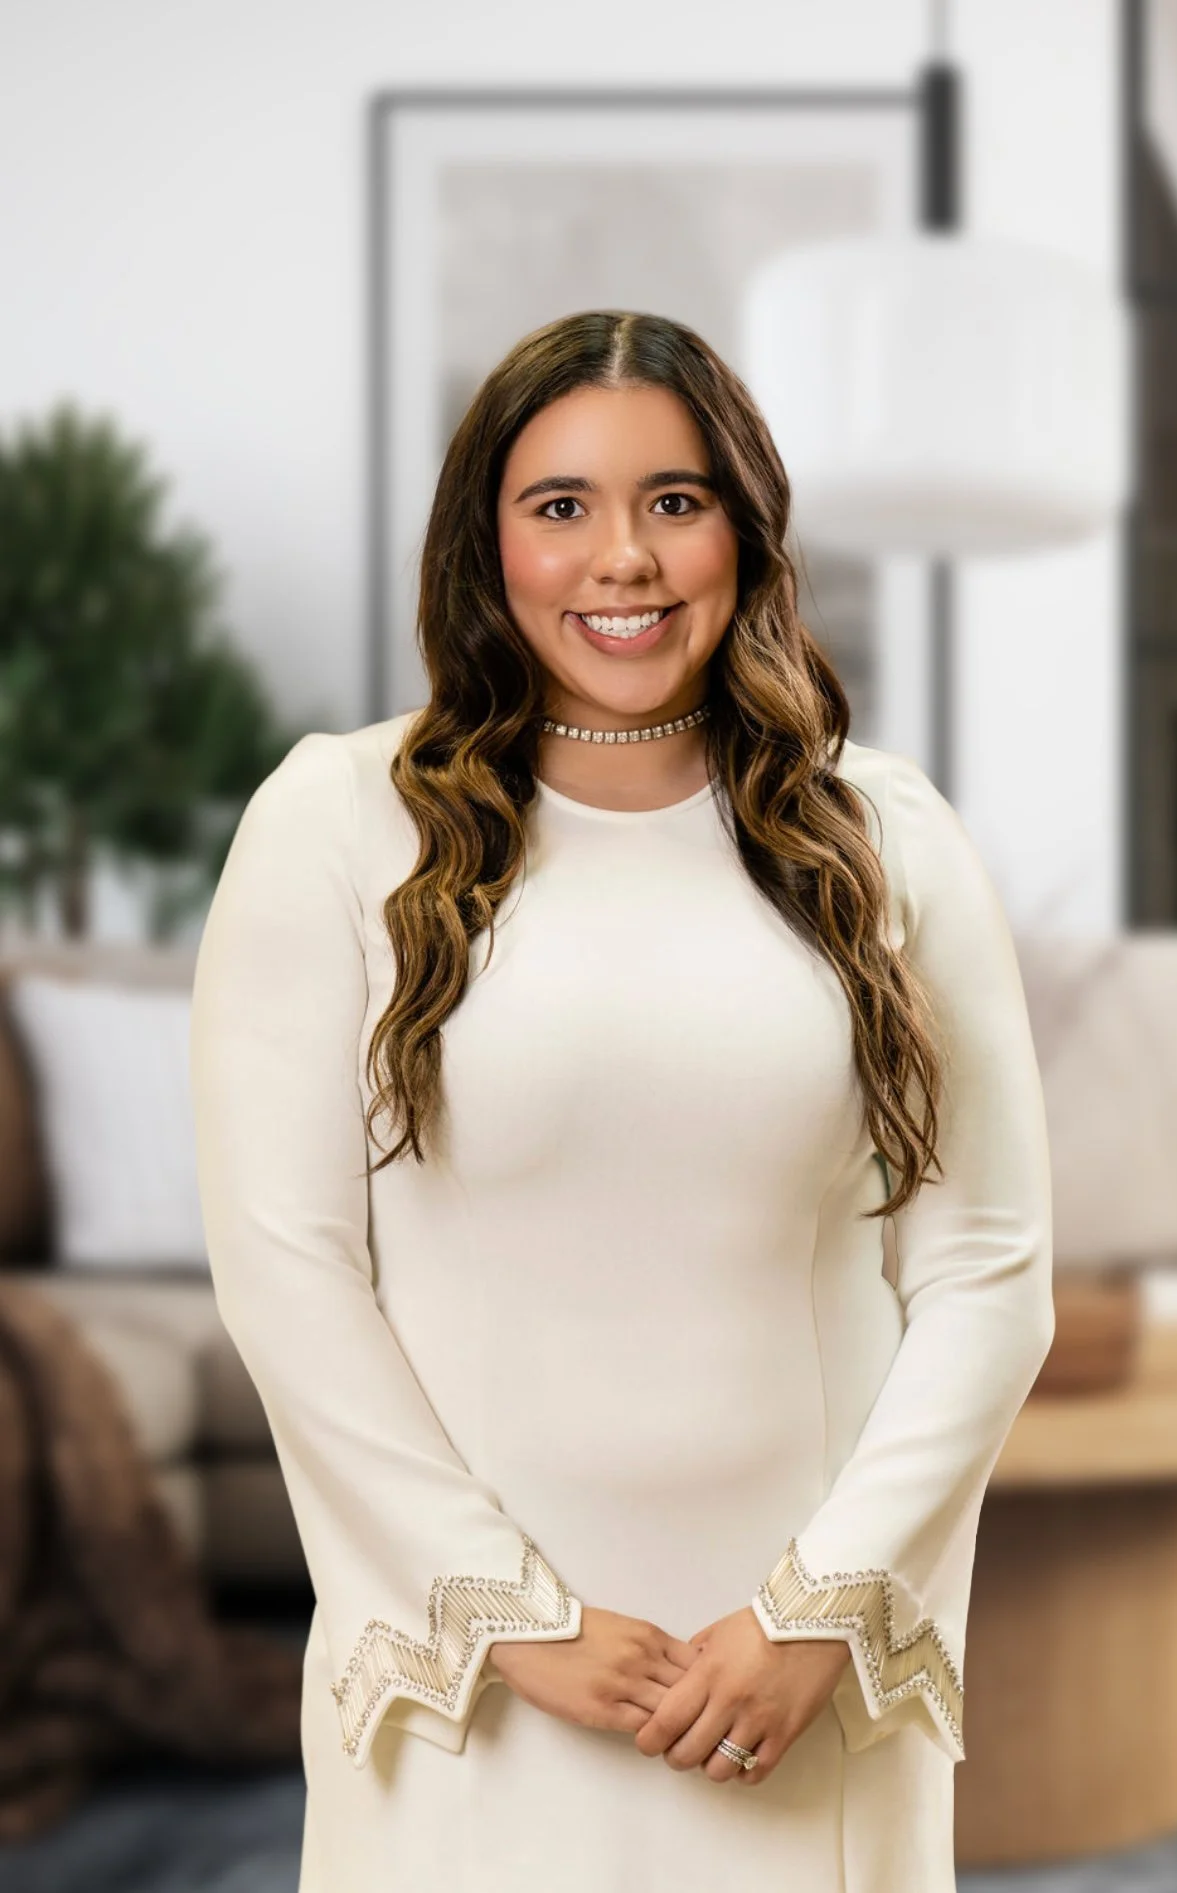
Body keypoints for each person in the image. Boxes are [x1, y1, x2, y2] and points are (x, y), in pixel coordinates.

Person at [188, 308, 1054, 1893]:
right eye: (561, 506)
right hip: (473, 1691)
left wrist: (818, 1611)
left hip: (795, 1681)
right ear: (486, 541)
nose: (624, 561)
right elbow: (286, 1267)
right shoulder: (333, 825)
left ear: (743, 526)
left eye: (674, 501)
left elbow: (985, 1271)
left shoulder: (890, 839)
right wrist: (506, 1615)